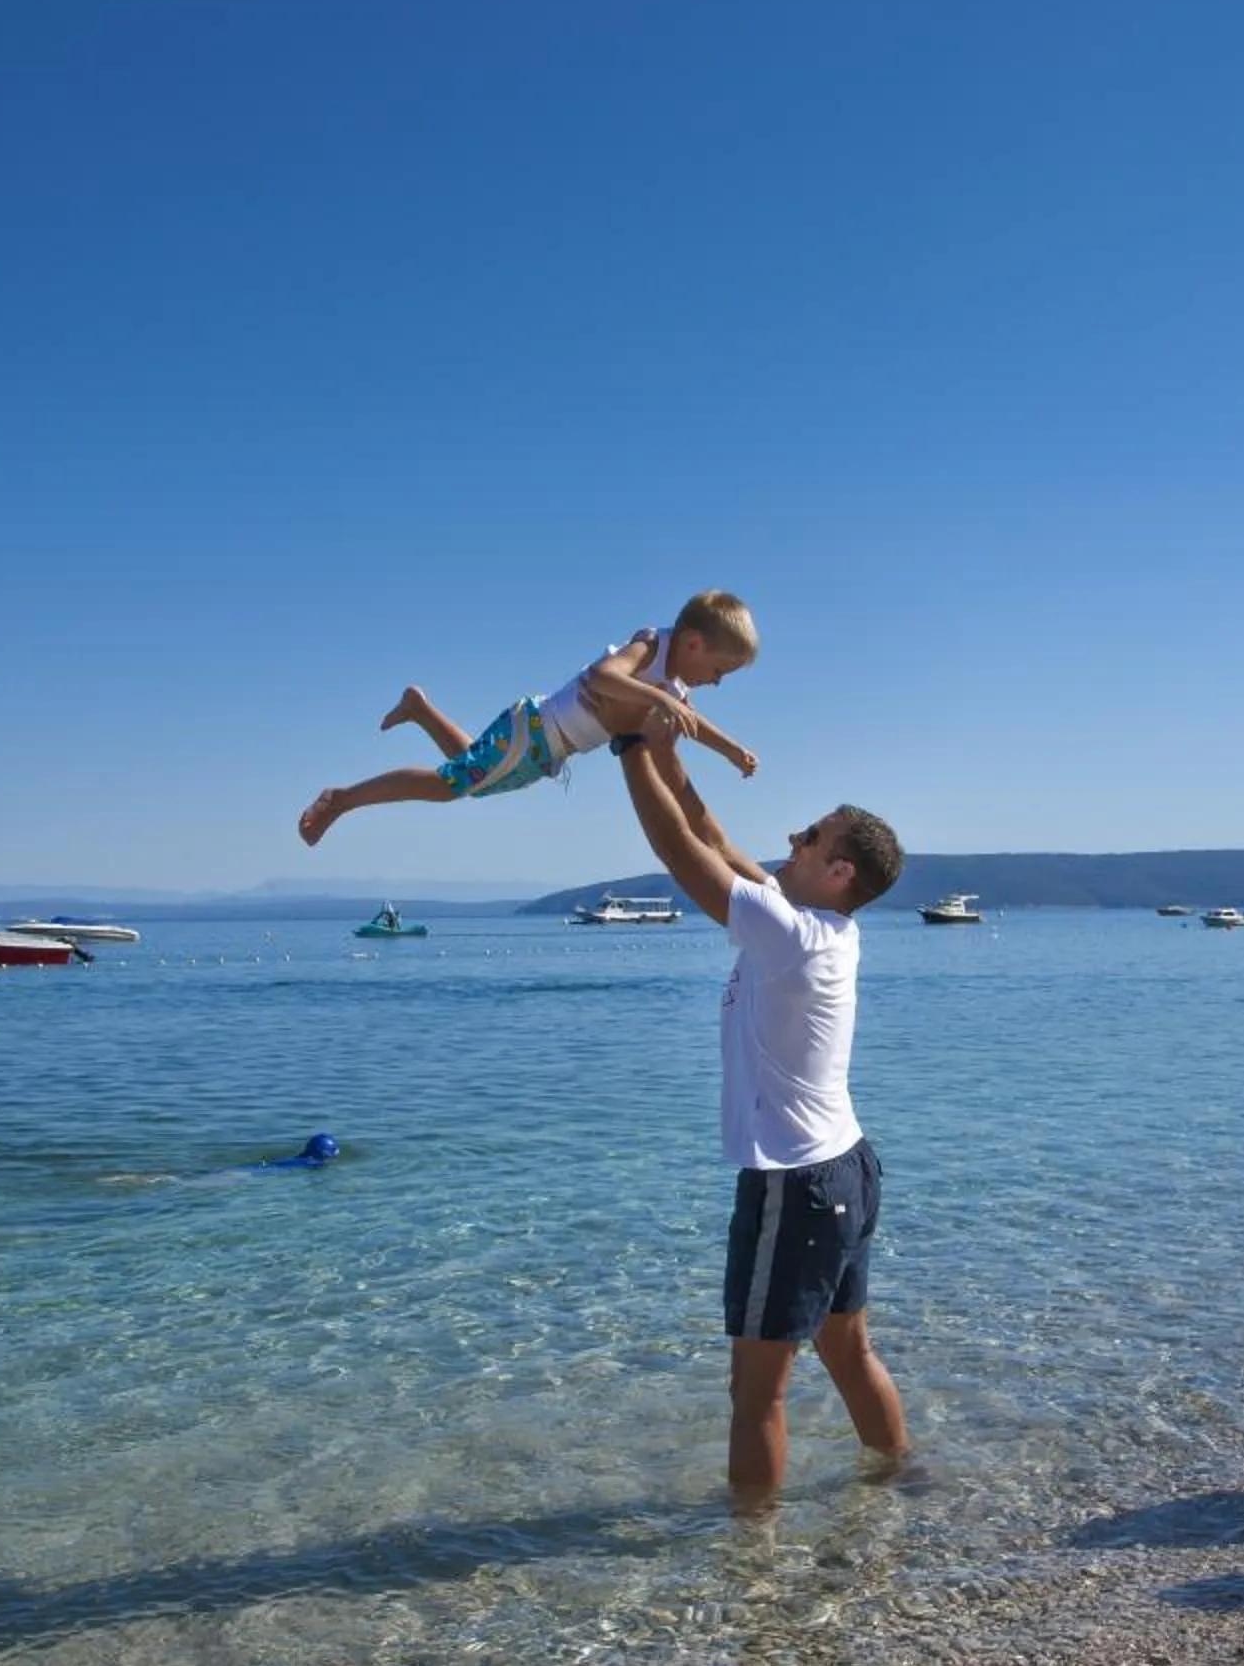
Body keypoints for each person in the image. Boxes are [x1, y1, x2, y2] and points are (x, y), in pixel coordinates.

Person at [613, 704, 907, 1507]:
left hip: (795, 1183)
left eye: (811, 837)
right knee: (849, 1356)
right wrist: (671, 758)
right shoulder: (822, 928)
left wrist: (628, 747)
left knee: (757, 1392)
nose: (793, 837)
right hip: (845, 1166)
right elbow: (708, 834)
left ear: (840, 871)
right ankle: (901, 1487)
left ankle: (753, 1567)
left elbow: (681, 853)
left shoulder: (793, 935)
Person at [297, 591, 762, 847]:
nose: (717, 682)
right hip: (536, 729)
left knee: (467, 772)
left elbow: (692, 725)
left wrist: (732, 751)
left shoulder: (674, 687)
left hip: (544, 749)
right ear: (695, 643)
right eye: (719, 670)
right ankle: (342, 799)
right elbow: (603, 676)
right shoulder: (652, 646)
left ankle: (420, 708)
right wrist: (661, 702)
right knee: (449, 785)